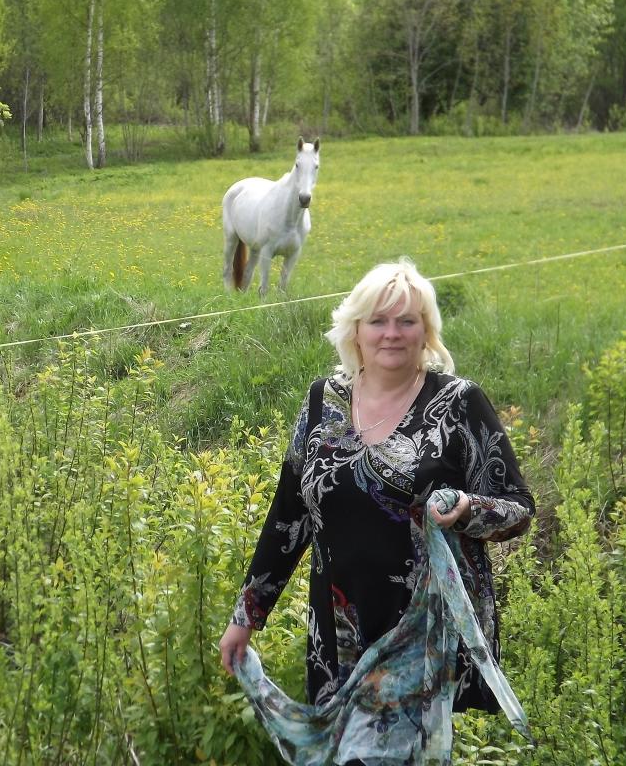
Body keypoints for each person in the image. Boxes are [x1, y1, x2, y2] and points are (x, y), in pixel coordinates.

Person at [218, 258, 535, 759]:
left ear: (426, 331)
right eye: (378, 321)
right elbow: (289, 516)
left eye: (407, 321)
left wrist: (466, 507)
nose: (392, 334)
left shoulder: (458, 404)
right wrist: (247, 615)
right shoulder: (323, 401)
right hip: (336, 632)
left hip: (418, 636)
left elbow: (517, 508)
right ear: (356, 330)